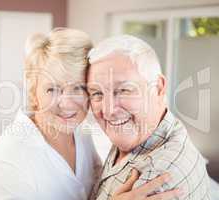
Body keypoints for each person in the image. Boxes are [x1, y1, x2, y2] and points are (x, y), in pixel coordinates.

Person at [0, 28, 179, 200]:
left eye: (78, 88)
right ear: (33, 93)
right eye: (52, 89)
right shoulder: (11, 154)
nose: (67, 104)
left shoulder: (81, 132)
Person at [87, 35, 211, 200]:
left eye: (124, 90)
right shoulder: (137, 132)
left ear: (158, 88)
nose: (108, 111)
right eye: (97, 93)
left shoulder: (155, 177)